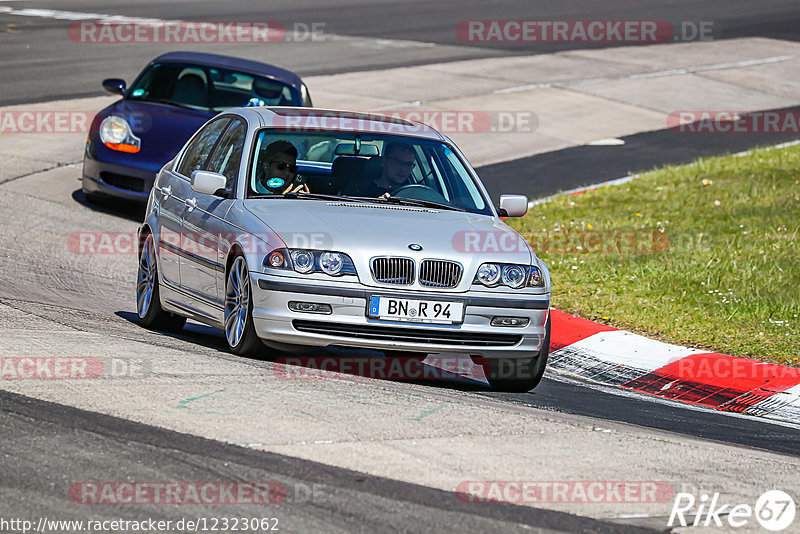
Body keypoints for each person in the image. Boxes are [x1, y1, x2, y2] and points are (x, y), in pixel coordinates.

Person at [344, 142, 415, 198]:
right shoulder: (358, 189)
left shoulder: (414, 194)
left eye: (409, 164)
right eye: (398, 162)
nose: (403, 169)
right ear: (384, 161)